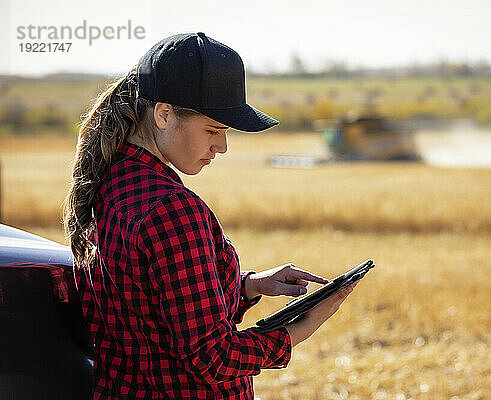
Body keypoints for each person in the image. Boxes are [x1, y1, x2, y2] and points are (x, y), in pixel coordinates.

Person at [63, 32, 358, 399]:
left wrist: (249, 284)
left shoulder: (108, 182)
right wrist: (303, 326)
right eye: (213, 129)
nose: (222, 146)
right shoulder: (172, 210)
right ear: (164, 114)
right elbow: (213, 358)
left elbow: (155, 314)